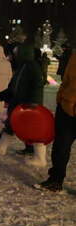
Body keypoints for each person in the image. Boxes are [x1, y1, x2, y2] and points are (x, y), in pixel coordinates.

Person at [0, 43, 45, 164]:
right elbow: (15, 85)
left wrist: (34, 103)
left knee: (32, 130)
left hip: (27, 104)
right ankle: (1, 147)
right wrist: (5, 94)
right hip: (19, 102)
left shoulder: (32, 67)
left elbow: (37, 86)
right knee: (10, 125)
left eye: (17, 53)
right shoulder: (23, 66)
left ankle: (40, 158)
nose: (14, 55)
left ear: (24, 53)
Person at [34, 51, 76, 192]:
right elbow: (67, 79)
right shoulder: (74, 56)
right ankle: (55, 180)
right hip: (66, 107)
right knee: (60, 148)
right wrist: (60, 97)